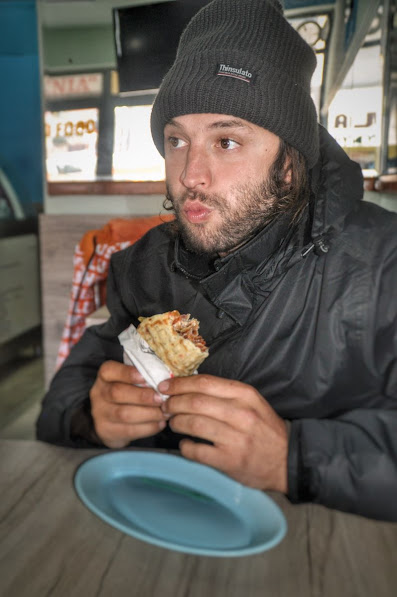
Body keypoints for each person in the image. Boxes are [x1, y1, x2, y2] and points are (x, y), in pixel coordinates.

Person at [36, 0, 397, 522]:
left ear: (290, 164)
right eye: (177, 140)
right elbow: (66, 394)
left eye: (227, 141)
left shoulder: (382, 265)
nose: (190, 175)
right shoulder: (143, 266)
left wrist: (293, 456)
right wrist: (91, 416)